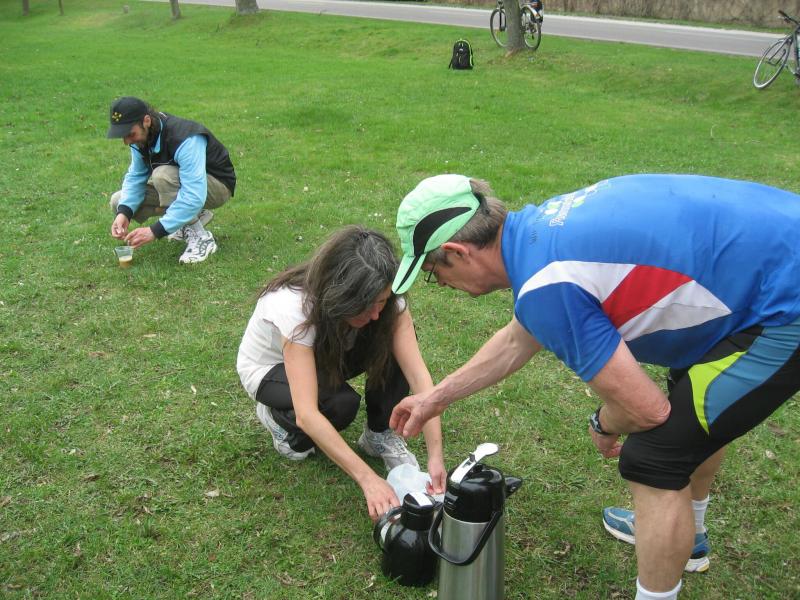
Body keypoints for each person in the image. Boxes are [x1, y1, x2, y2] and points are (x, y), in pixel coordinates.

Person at [388, 173, 800, 600]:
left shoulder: (548, 284)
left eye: (434, 273)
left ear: (458, 251)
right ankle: (687, 536)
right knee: (687, 400)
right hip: (773, 251)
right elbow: (517, 338)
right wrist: (435, 398)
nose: (442, 285)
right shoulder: (538, 234)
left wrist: (603, 423)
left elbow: (645, 411)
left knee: (655, 457)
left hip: (786, 302)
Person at [237, 225, 447, 521]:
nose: (376, 313)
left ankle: (378, 434)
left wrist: (436, 456)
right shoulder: (294, 308)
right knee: (339, 405)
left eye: (382, 301)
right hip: (270, 370)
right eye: (364, 306)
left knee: (392, 347)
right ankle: (277, 420)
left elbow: (419, 377)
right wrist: (368, 479)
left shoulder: (388, 302)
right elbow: (307, 414)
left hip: (327, 354)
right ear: (340, 296)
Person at [106, 96, 236, 264]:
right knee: (118, 201)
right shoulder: (141, 139)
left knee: (162, 175)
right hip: (186, 186)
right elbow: (136, 177)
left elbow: (194, 195)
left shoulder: (185, 138)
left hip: (217, 187)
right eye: (122, 136)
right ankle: (189, 217)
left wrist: (155, 231)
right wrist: (124, 213)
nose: (127, 142)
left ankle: (201, 238)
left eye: (130, 134)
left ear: (146, 121)